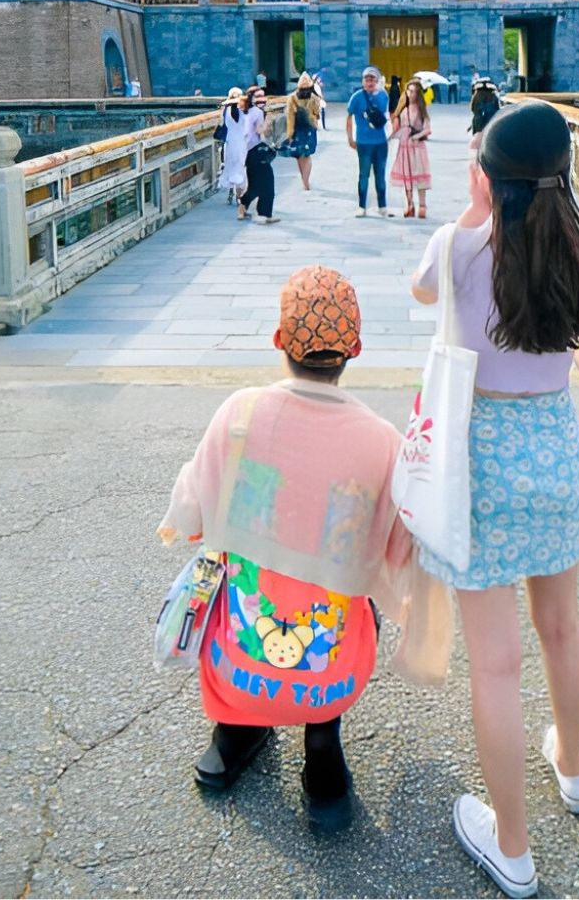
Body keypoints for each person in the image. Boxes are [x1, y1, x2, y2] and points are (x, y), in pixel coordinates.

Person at [410, 102, 579, 899]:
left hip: (478, 469)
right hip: (552, 459)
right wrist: (556, 369)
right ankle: (572, 768)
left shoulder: (459, 245)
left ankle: (513, 848)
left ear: (488, 176)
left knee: (496, 665)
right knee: (562, 630)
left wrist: (471, 214)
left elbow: (422, 292)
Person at [160, 266, 414, 826]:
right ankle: (322, 748)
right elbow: (401, 551)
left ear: (279, 341)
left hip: (241, 651)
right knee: (349, 595)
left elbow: (193, 506)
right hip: (332, 670)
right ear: (355, 348)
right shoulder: (381, 440)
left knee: (242, 578)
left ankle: (238, 728)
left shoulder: (241, 413)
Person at [345, 67, 394, 218]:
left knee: (380, 175)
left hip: (380, 142)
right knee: (364, 174)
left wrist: (391, 133)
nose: (370, 82)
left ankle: (382, 205)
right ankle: (362, 206)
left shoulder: (383, 96)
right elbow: (349, 117)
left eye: (372, 79)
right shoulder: (357, 97)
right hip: (364, 142)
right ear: (363, 81)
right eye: (367, 79)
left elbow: (389, 114)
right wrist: (350, 138)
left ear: (377, 81)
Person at [231, 87, 279, 223]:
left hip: (246, 152)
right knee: (268, 183)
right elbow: (260, 131)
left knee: (254, 184)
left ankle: (244, 207)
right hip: (256, 151)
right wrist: (269, 119)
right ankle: (264, 213)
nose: (262, 98)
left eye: (263, 95)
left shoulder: (243, 111)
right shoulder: (258, 112)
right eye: (258, 96)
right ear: (252, 98)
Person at [391, 78, 433, 218]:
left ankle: (422, 205)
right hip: (404, 147)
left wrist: (416, 136)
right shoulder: (403, 109)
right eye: (409, 90)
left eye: (414, 91)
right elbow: (397, 129)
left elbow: (428, 129)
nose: (411, 94)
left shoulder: (422, 110)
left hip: (417, 148)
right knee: (406, 178)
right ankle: (409, 205)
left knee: (420, 178)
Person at [282, 72, 323, 191]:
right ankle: (306, 181)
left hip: (296, 130)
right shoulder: (314, 98)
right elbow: (317, 114)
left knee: (299, 155)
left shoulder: (292, 98)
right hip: (309, 129)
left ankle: (303, 180)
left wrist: (289, 134)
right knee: (307, 155)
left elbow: (289, 117)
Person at [218, 87, 246, 206]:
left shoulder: (225, 111)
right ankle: (240, 196)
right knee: (240, 168)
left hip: (229, 144)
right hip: (241, 143)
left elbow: (222, 125)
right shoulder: (244, 111)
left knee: (230, 167)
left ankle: (230, 193)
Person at [468, 77, 501, 152]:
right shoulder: (493, 96)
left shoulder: (477, 96)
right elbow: (498, 109)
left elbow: (472, 109)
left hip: (478, 121)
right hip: (491, 121)